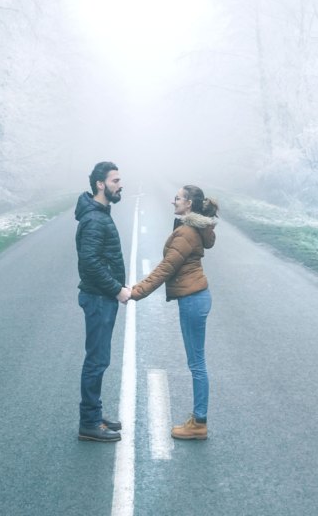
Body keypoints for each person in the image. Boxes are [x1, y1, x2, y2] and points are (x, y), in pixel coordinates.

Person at [129, 185, 218, 441]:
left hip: (193, 299)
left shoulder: (187, 233)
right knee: (197, 363)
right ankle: (198, 418)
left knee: (197, 364)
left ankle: (199, 422)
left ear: (189, 204)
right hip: (196, 297)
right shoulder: (191, 228)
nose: (173, 201)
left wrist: (137, 291)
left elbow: (165, 268)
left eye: (178, 198)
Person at [75, 161, 131, 442]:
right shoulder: (95, 219)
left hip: (101, 296)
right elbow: (91, 264)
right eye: (115, 180)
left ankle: (94, 415)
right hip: (99, 297)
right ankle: (89, 423)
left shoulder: (99, 214)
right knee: (96, 361)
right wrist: (117, 289)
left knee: (99, 360)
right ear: (100, 184)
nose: (120, 185)